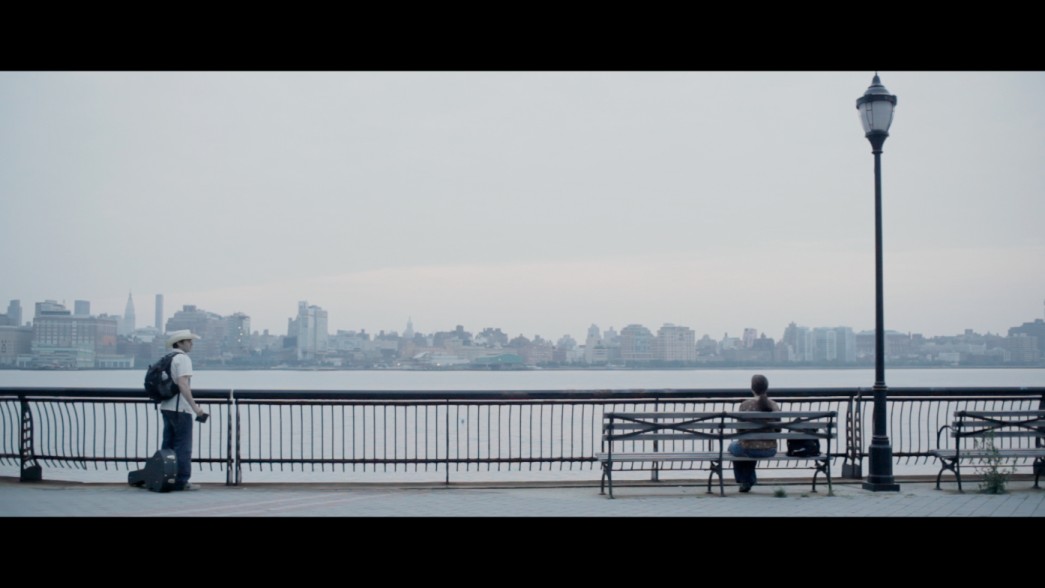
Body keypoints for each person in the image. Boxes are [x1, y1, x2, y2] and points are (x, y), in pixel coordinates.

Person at [159, 329, 207, 491]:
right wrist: (195, 408)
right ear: (179, 343)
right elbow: (183, 384)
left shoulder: (168, 358)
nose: (191, 343)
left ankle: (164, 477)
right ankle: (181, 481)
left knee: (168, 445)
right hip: (180, 409)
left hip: (166, 407)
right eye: (188, 341)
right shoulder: (183, 359)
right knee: (183, 446)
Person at [728, 374, 780, 493]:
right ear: (766, 388)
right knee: (748, 448)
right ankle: (748, 480)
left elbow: (739, 431)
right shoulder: (773, 405)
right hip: (770, 449)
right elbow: (778, 429)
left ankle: (745, 481)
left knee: (734, 447)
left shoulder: (745, 405)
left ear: (752, 388)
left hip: (749, 449)